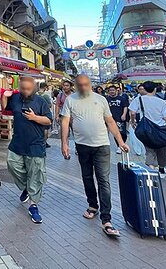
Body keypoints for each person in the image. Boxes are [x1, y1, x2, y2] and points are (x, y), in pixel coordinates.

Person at [60, 75, 128, 238]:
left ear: (90, 85)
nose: (83, 88)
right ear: (75, 86)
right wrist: (64, 143)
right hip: (82, 146)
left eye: (86, 85)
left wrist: (120, 141)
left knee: (103, 179)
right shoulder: (71, 100)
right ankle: (92, 205)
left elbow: (110, 122)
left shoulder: (101, 100)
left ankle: (106, 218)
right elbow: (65, 122)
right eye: (80, 85)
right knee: (87, 177)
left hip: (102, 146)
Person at [1, 76, 53, 224]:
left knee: (35, 174)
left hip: (35, 144)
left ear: (34, 88)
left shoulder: (40, 101)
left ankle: (33, 205)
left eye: (28, 89)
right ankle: (27, 188)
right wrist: (4, 96)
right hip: (17, 142)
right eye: (23, 88)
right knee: (12, 165)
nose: (25, 91)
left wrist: (35, 117)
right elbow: (6, 107)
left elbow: (49, 120)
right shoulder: (16, 97)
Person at [129, 81, 166, 175]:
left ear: (144, 89)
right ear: (155, 89)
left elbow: (132, 113)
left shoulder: (138, 99)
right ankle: (161, 169)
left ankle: (151, 170)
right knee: (162, 150)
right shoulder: (161, 102)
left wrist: (133, 122)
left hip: (146, 130)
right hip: (161, 129)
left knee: (149, 150)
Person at [105, 85, 128, 154]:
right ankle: (118, 146)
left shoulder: (122, 99)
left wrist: (124, 114)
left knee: (122, 133)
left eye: (113, 90)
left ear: (116, 91)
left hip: (119, 118)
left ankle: (121, 144)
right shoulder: (106, 99)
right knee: (112, 133)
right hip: (109, 118)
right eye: (110, 90)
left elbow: (125, 107)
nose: (112, 91)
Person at [38, 82, 54, 148]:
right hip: (44, 115)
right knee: (46, 129)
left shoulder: (35, 94)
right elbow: (50, 105)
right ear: (45, 87)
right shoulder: (46, 95)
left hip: (36, 115)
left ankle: (40, 141)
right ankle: (44, 142)